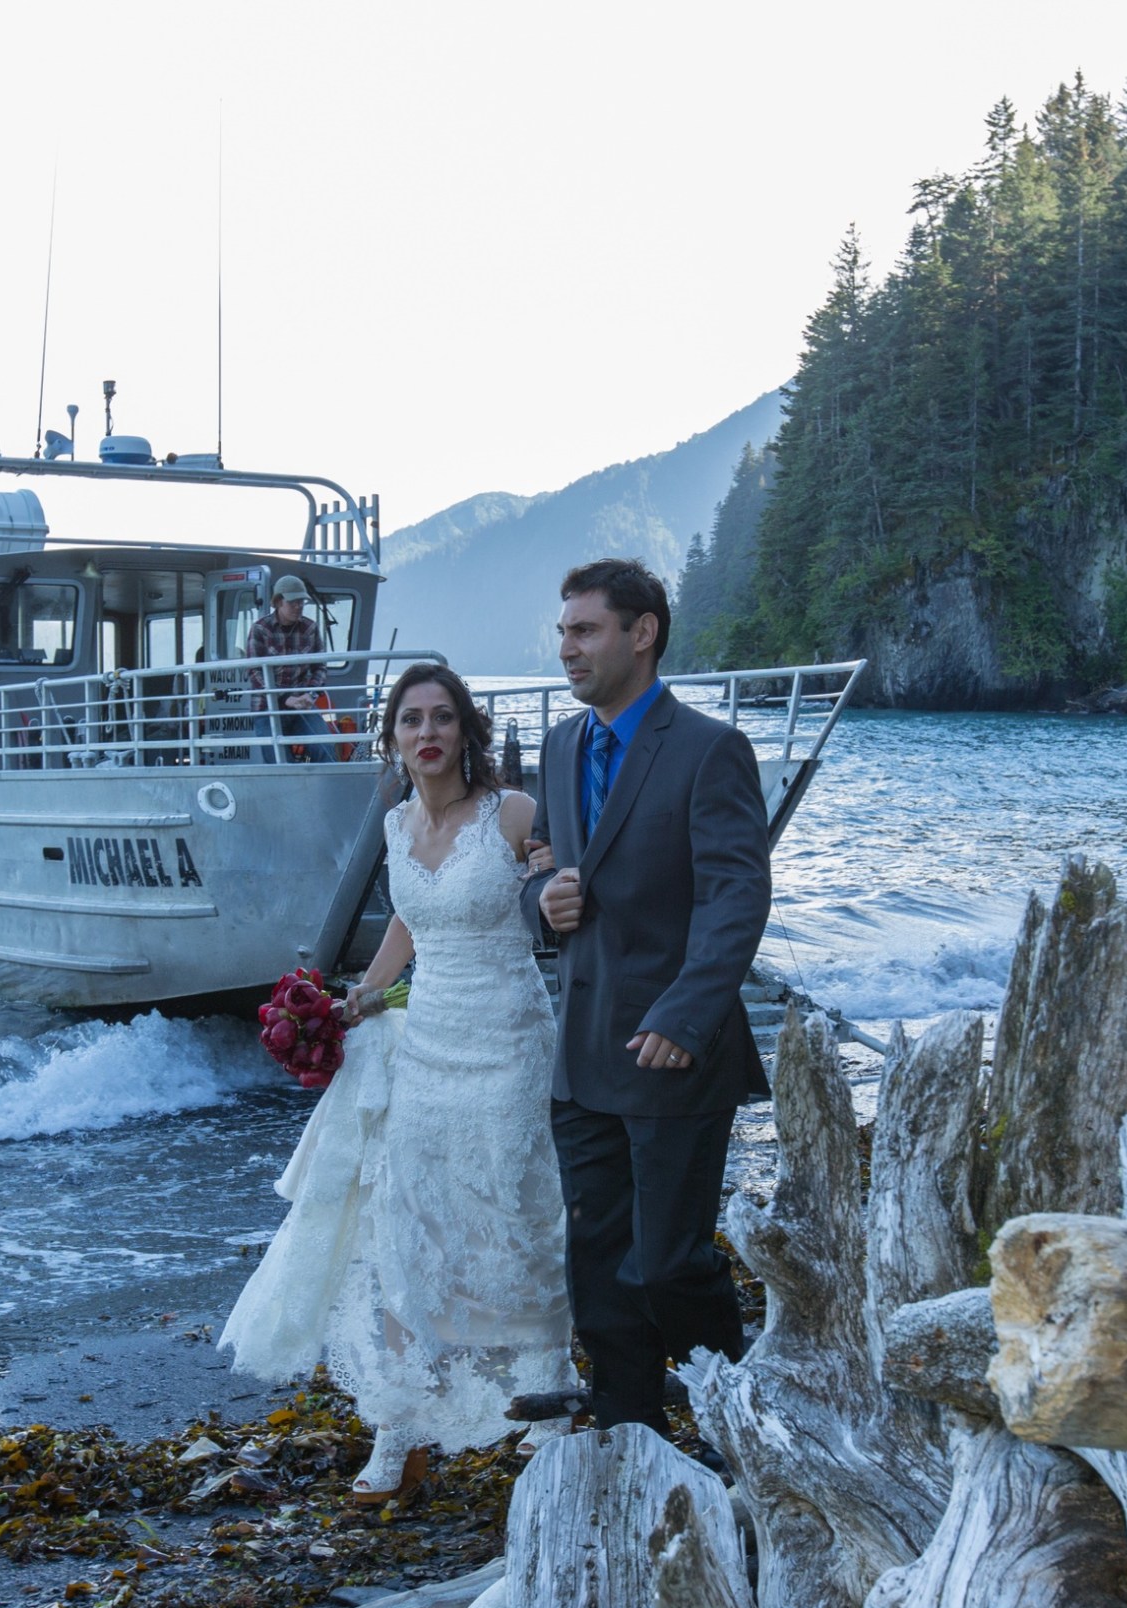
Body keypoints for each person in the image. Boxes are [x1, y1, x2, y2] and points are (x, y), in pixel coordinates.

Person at [221, 662, 576, 1501]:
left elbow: (552, 898)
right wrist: (363, 997)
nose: (427, 733)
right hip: (426, 1046)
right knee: (409, 1226)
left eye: (443, 717)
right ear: (394, 737)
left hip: (510, 1042)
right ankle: (401, 1425)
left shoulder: (515, 812)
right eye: (412, 719)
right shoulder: (393, 825)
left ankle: (550, 1399)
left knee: (516, 1212)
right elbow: (411, 922)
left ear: (465, 731)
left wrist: (555, 876)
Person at [519, 559, 771, 1436]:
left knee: (670, 1266)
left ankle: (745, 1428)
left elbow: (736, 895)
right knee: (596, 1263)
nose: (567, 649)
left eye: (585, 630)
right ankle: (627, 1427)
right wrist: (541, 903)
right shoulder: (559, 746)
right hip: (582, 1052)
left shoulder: (709, 749)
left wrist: (685, 1012)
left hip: (673, 1052)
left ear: (643, 632)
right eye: (563, 633)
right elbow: (544, 868)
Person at [246, 576, 335, 764]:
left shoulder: (310, 628)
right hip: (267, 708)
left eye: (301, 601)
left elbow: (320, 666)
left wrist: (310, 695)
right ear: (278, 602)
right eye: (293, 601)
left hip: (301, 705)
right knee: (277, 759)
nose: (299, 606)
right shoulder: (260, 629)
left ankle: (323, 788)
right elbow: (255, 672)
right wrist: (285, 698)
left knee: (325, 747)